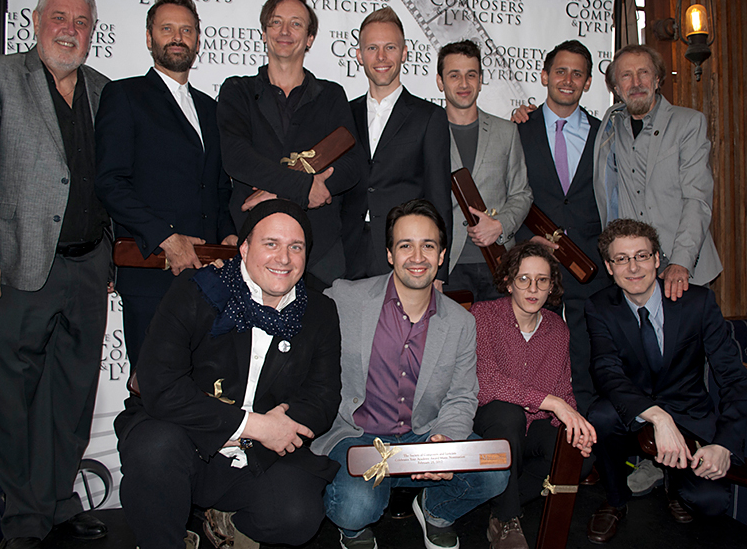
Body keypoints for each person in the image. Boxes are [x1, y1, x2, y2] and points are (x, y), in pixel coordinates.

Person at [0, 0, 109, 549]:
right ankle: (21, 520)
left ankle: (59, 502)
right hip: (13, 270)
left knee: (70, 396)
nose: (70, 30)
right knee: (14, 401)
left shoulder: (101, 88)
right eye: (59, 18)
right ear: (36, 21)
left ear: (92, 30)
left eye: (81, 21)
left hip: (88, 268)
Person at [115, 199, 342, 549]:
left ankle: (228, 521)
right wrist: (250, 425)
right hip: (185, 438)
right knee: (155, 451)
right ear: (245, 247)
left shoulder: (320, 310)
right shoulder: (199, 291)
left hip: (260, 454)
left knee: (297, 515)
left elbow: (323, 398)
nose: (283, 258)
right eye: (271, 244)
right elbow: (160, 386)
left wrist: (273, 431)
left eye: (295, 247)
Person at [312, 199, 508, 549]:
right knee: (356, 509)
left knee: (495, 473)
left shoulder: (462, 323)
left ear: (442, 255)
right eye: (406, 245)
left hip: (423, 435)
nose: (417, 257)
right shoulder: (346, 300)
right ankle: (355, 528)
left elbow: (462, 395)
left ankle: (435, 509)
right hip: (358, 436)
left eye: (428, 246)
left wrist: (445, 439)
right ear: (390, 254)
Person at [95, 0, 237, 367]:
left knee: (206, 389)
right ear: (149, 38)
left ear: (197, 39)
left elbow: (219, 188)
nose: (177, 37)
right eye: (167, 28)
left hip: (209, 276)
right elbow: (110, 182)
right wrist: (165, 238)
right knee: (152, 389)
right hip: (151, 273)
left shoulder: (211, 108)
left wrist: (228, 235)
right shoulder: (124, 95)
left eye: (186, 29)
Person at [584, 219, 747, 544]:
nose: (633, 267)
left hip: (690, 417)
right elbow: (606, 373)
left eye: (642, 256)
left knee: (710, 503)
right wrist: (658, 416)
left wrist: (724, 444)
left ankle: (675, 482)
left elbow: (734, 378)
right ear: (609, 267)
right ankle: (616, 500)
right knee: (600, 414)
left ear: (658, 259)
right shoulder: (599, 307)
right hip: (633, 414)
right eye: (622, 259)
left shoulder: (698, 303)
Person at [218, 0, 359, 289]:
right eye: (276, 23)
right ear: (265, 32)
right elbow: (236, 157)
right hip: (255, 246)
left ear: (309, 38)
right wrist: (302, 187)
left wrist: (278, 194)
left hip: (320, 251)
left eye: (295, 24)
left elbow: (352, 164)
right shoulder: (237, 91)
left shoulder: (331, 96)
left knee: (319, 335)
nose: (284, 31)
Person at [472, 242, 596, 549]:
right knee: (508, 414)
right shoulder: (483, 315)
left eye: (542, 280)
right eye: (523, 278)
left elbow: (562, 390)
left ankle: (501, 499)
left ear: (551, 285)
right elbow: (486, 383)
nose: (533, 288)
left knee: (580, 457)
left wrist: (574, 426)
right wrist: (554, 404)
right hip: (493, 424)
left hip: (534, 427)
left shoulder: (557, 328)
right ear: (508, 281)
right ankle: (508, 518)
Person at [513, 40, 609, 417]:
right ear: (544, 76)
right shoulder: (518, 129)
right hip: (537, 262)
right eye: (560, 71)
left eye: (577, 74)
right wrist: (525, 243)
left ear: (587, 83)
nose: (567, 80)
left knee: (588, 357)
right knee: (539, 357)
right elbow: (510, 193)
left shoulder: (606, 134)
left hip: (591, 265)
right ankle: (544, 440)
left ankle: (585, 449)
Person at [593, 45, 722, 303]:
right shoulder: (610, 123)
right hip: (633, 271)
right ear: (615, 87)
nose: (636, 82)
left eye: (644, 72)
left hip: (682, 270)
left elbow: (697, 200)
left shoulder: (688, 123)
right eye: (626, 75)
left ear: (657, 79)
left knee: (687, 343)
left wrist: (680, 262)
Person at [343, 8, 452, 284]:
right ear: (359, 55)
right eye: (372, 48)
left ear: (404, 53)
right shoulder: (343, 114)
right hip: (345, 254)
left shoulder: (429, 117)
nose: (381, 57)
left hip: (403, 256)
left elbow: (439, 196)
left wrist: (439, 272)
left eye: (390, 47)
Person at [436, 40, 532, 301]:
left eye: (471, 75)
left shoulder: (506, 132)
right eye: (454, 75)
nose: (464, 84)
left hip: (499, 261)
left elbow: (522, 193)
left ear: (480, 80)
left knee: (499, 342)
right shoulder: (427, 132)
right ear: (440, 82)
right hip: (446, 265)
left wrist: (501, 225)